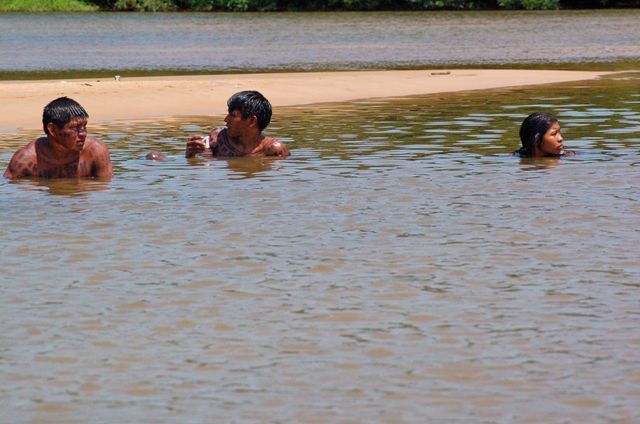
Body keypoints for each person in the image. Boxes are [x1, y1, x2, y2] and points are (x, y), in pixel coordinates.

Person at [3, 97, 113, 179]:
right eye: (75, 128)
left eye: (84, 126)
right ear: (53, 130)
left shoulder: (95, 151)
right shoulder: (25, 160)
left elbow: (105, 193)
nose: (83, 134)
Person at [186, 91, 290, 158]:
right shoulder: (218, 137)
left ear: (251, 121)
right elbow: (206, 166)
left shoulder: (274, 149)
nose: (226, 119)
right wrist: (191, 154)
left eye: (233, 115)